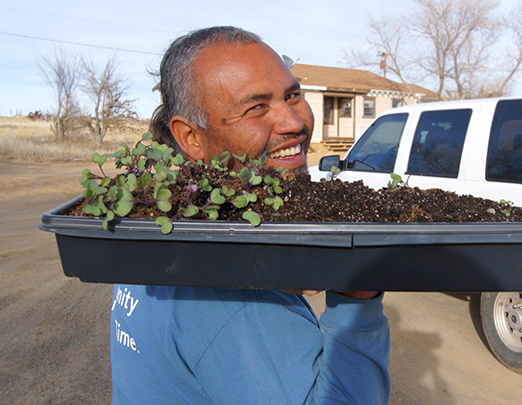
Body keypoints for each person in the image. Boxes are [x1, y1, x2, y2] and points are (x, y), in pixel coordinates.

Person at [110, 26, 391, 404]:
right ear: (191, 137)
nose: (294, 123)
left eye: (293, 95)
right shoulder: (232, 287)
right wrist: (357, 294)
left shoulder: (158, 232)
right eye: (256, 107)